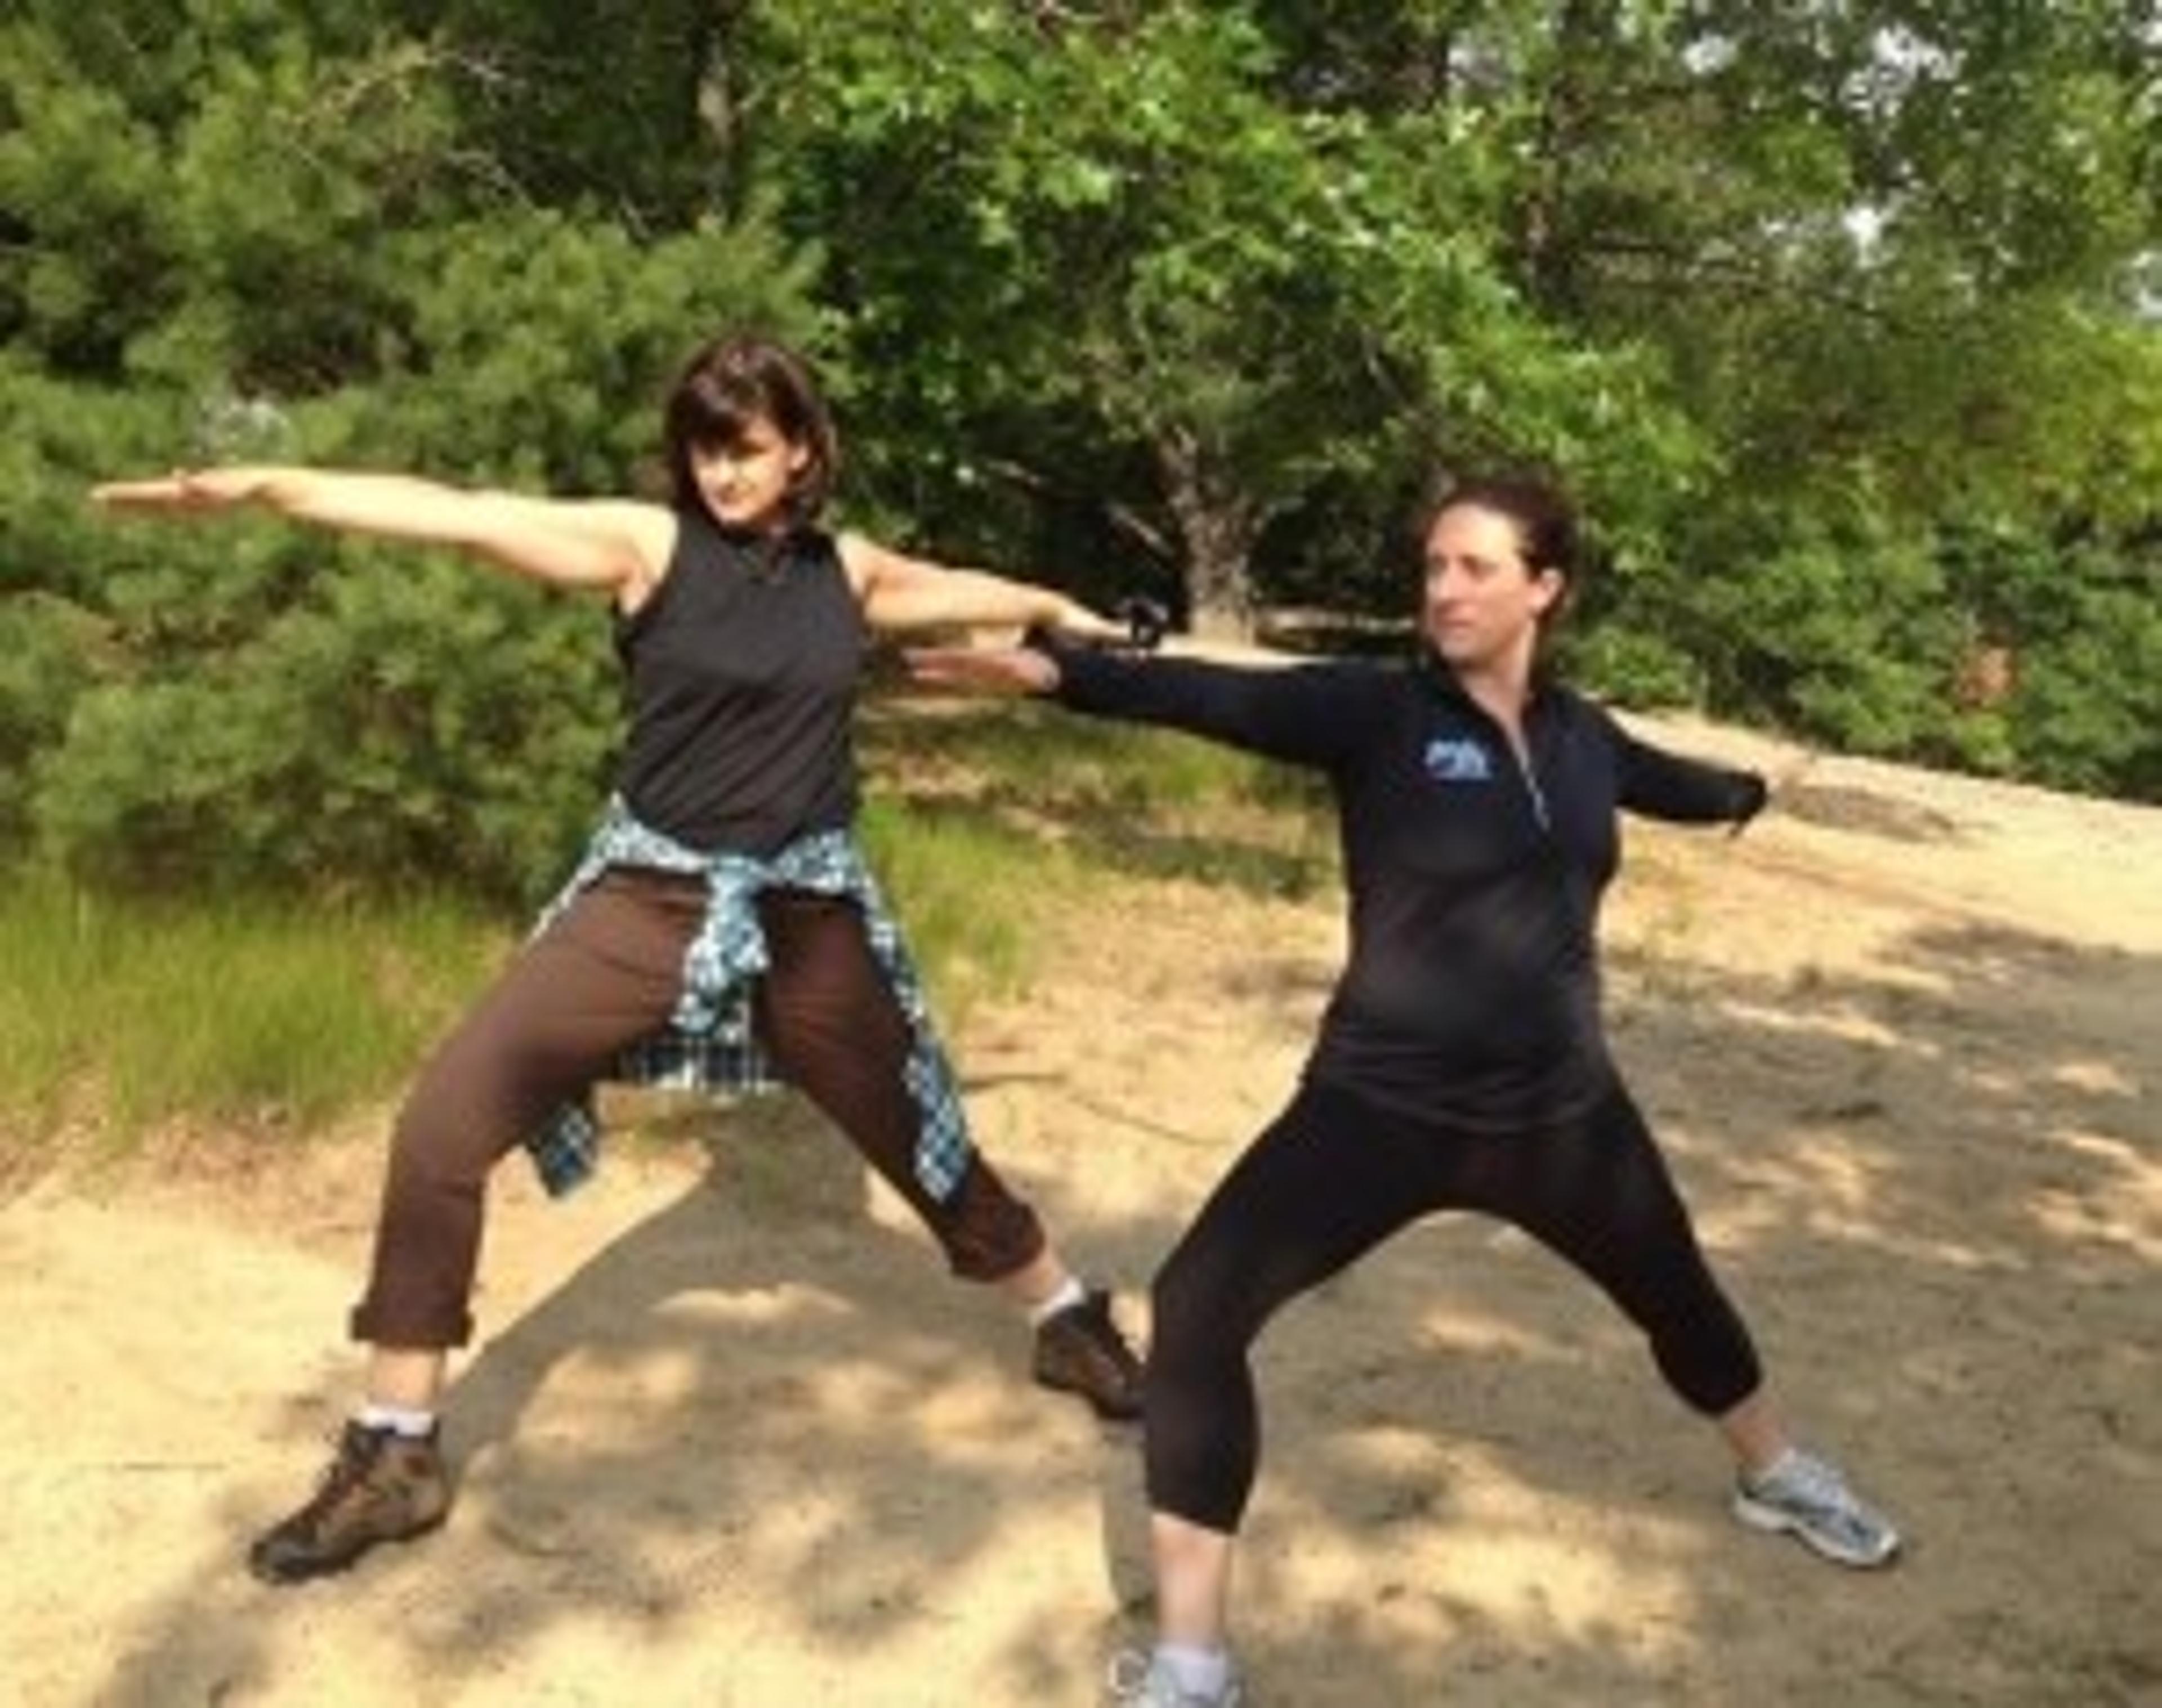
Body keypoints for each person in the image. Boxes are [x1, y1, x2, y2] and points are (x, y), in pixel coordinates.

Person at [90, 332, 1146, 1586]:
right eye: (704, 446)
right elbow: (467, 517)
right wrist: (276, 487)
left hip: (808, 914)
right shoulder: (648, 548)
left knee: (923, 1140)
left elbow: (962, 580)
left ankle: (1066, 1318)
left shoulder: (844, 570)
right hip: (648, 901)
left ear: (801, 448)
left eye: (746, 447)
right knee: (441, 1124)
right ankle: (397, 1449)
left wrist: (1065, 611)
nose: (723, 473)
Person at [910, 473, 1901, 1708]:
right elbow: (1217, 695)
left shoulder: (1585, 738)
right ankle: (1193, 1665)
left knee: (1680, 1292)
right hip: (1376, 1105)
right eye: (1434, 566)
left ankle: (1775, 1471)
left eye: (1475, 567)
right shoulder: (1375, 713)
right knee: (1199, 1313)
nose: (1443, 588)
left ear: (1547, 586)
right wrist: (1065, 670)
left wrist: (1749, 792)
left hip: (1560, 1113)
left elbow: (1671, 780)